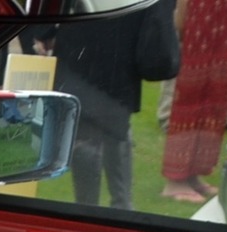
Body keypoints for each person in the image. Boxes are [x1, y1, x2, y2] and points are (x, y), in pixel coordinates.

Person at [54, 0, 180, 210]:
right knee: (105, 130)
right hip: (109, 39)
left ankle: (96, 211)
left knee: (96, 133)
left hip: (95, 38)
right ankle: (110, 209)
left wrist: (44, 32)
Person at [159, 0, 227, 202]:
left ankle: (193, 175)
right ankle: (175, 181)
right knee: (190, 96)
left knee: (216, 98)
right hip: (199, 17)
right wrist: (181, 24)